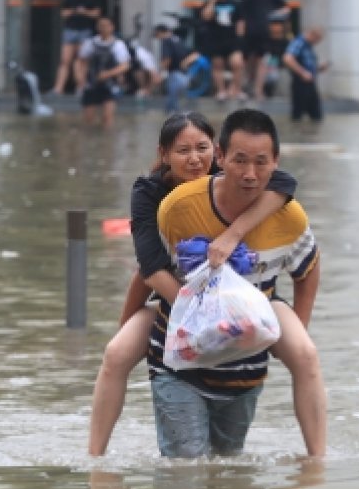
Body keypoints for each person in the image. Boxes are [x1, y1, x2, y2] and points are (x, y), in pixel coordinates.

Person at [87, 111, 327, 459]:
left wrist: (234, 233)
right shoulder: (156, 197)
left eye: (201, 148)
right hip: (177, 294)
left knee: (305, 353)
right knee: (116, 353)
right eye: (183, 150)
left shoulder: (243, 180)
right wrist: (198, 310)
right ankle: (96, 457)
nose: (194, 159)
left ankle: (317, 461)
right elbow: (149, 269)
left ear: (215, 153)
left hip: (253, 296)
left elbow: (284, 183)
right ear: (164, 155)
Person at [237, 0, 289, 100]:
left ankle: (258, 90)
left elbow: (285, 7)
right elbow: (242, 6)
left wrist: (274, 15)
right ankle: (246, 85)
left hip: (264, 31)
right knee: (247, 60)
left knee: (262, 60)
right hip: (249, 32)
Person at [76, 17, 131, 128]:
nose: (103, 28)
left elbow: (125, 66)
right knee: (88, 120)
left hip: (110, 85)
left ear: (112, 27)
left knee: (108, 118)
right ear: (97, 27)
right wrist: (79, 77)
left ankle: (108, 142)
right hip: (91, 84)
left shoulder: (118, 45)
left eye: (106, 25)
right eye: (101, 25)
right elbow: (81, 61)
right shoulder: (90, 43)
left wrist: (108, 74)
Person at [198, 0, 245, 102]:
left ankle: (236, 89)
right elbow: (206, 17)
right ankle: (221, 91)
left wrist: (240, 38)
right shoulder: (208, 3)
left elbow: (240, 21)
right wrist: (212, 1)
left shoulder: (234, 2)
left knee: (237, 63)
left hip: (232, 39)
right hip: (215, 39)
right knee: (218, 65)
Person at [51, 0, 101, 95]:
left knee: (81, 60)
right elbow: (64, 13)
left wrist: (84, 12)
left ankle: (80, 85)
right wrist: (75, 11)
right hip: (70, 30)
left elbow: (96, 14)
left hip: (85, 30)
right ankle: (58, 87)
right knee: (65, 60)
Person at [153, 24, 205, 113]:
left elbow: (167, 59)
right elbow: (196, 54)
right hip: (185, 76)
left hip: (175, 75)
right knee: (176, 103)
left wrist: (160, 74)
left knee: (173, 106)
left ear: (160, 33)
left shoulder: (166, 41)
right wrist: (185, 63)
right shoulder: (178, 39)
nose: (157, 38)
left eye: (156, 35)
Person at [282, 27, 329, 123]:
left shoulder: (308, 46)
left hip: (310, 84)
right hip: (300, 84)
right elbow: (287, 58)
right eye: (318, 40)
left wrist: (318, 68)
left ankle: (309, 135)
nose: (317, 43)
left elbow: (308, 65)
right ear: (312, 35)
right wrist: (302, 73)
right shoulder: (299, 43)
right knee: (298, 115)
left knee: (316, 115)